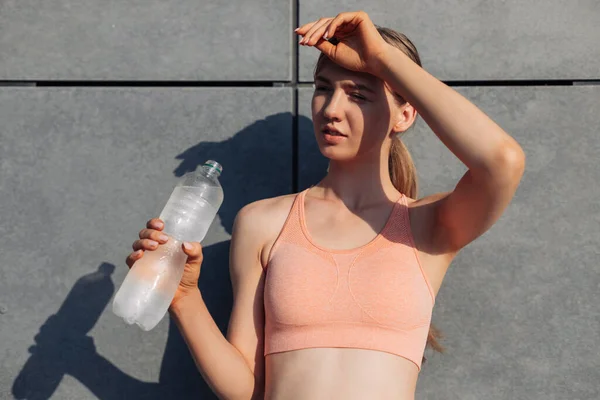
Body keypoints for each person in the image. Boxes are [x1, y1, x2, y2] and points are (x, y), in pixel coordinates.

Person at [126, 11, 525, 400]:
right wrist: (182, 297)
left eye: (358, 94)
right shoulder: (264, 222)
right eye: (323, 88)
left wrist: (383, 60)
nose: (332, 109)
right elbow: (245, 387)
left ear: (404, 115)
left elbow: (502, 162)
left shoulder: (429, 225)